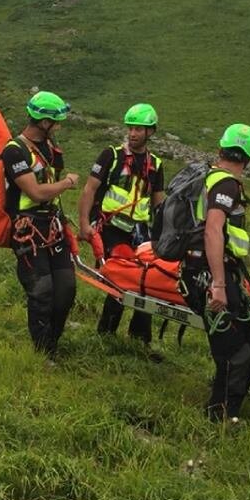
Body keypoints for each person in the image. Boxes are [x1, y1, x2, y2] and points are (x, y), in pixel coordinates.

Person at [181, 124, 250, 421]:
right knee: (237, 354)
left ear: (221, 149)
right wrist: (218, 284)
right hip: (207, 277)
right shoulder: (227, 184)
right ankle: (219, 419)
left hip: (209, 273)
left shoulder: (213, 177)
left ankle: (225, 402)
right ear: (249, 157)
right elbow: (213, 230)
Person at [77, 103, 165, 349]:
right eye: (131, 128)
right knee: (120, 278)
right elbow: (89, 189)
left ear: (150, 132)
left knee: (148, 278)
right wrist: (85, 224)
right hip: (111, 227)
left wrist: (163, 237)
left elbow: (158, 204)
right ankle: (106, 334)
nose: (133, 133)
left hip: (140, 230)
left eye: (139, 129)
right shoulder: (111, 156)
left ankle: (140, 340)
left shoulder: (155, 164)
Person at [2, 92, 80, 358]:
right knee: (42, 291)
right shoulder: (14, 151)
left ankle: (51, 343)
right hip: (29, 230)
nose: (58, 127)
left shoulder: (50, 148)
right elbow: (35, 192)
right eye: (56, 122)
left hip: (53, 226)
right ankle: (41, 352)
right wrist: (68, 183)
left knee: (66, 288)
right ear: (44, 122)